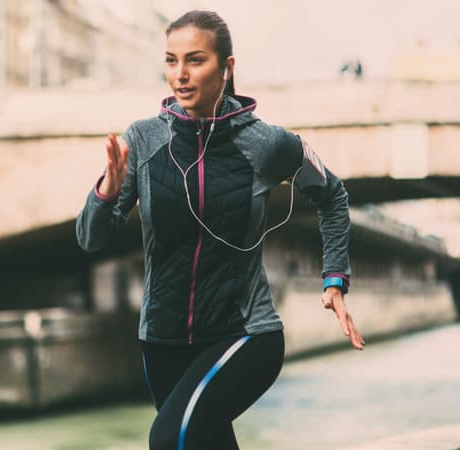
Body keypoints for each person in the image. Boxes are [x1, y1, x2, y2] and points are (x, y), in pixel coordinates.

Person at [75, 10, 364, 450]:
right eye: (171, 61)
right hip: (161, 339)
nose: (181, 75)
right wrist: (105, 192)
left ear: (227, 67)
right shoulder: (145, 140)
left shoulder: (265, 144)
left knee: (169, 439)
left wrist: (334, 279)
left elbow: (332, 194)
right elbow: (90, 238)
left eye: (195, 60)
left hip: (245, 335)